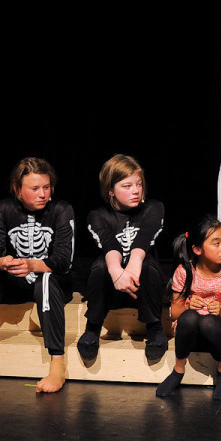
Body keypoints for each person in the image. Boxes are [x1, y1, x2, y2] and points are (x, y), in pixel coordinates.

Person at [0, 158, 76, 393]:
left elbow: (65, 260)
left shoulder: (61, 209)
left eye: (46, 187)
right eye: (35, 188)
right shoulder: (4, 209)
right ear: (18, 189)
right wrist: (2, 261)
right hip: (16, 280)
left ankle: (57, 364)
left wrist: (34, 265)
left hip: (51, 281)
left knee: (46, 280)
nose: (42, 194)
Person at [79, 155, 167, 362]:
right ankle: (93, 327)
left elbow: (145, 237)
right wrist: (117, 272)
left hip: (144, 287)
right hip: (111, 287)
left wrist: (134, 265)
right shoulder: (98, 215)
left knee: (147, 264)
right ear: (111, 190)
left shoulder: (154, 207)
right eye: (127, 186)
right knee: (101, 265)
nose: (136, 190)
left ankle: (155, 327)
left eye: (139, 184)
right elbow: (109, 243)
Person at [156, 216, 221, 399]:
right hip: (190, 335)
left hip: (220, 334)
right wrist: (188, 306)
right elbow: (174, 314)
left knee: (209, 323)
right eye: (216, 243)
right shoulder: (185, 271)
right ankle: (178, 370)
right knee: (189, 317)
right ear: (197, 249)